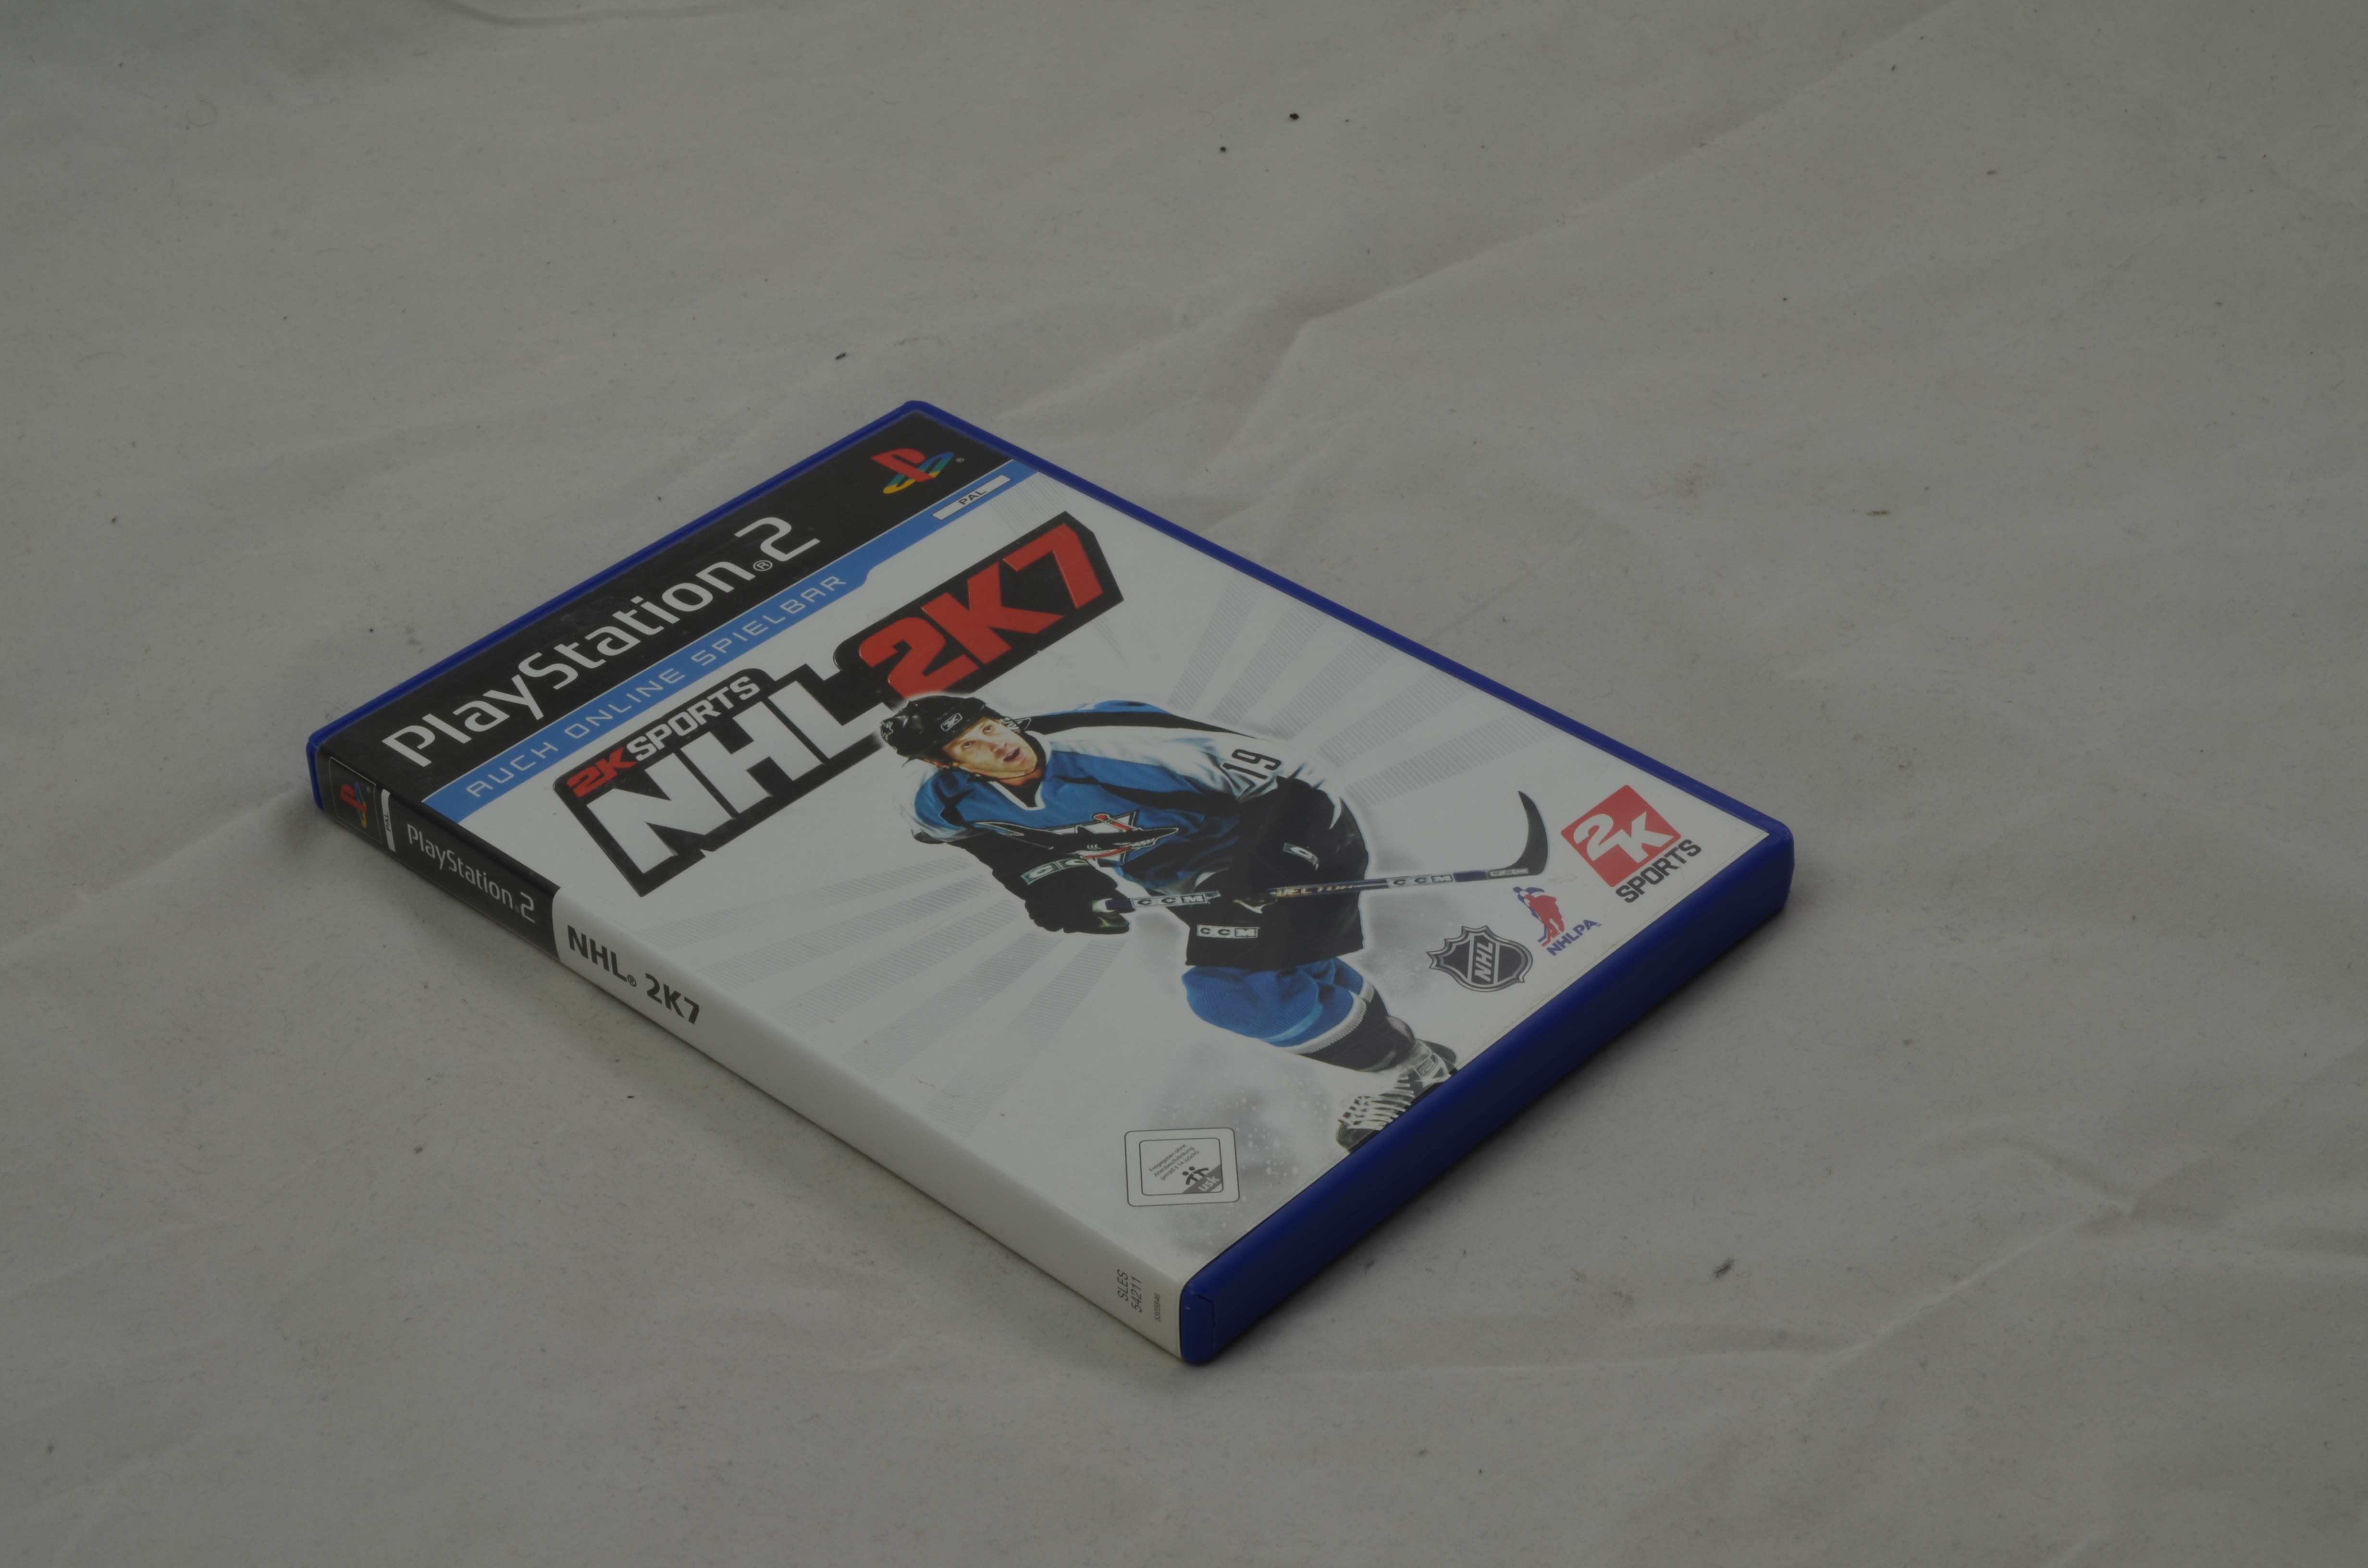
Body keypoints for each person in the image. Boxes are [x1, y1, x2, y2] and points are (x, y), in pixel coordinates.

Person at [880, 694, 1454, 1150]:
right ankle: (1408, 1056)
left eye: (990, 725)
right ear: (944, 763)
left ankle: (1399, 1070)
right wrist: (1056, 886)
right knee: (1291, 970)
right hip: (1187, 880)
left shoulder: (1117, 747)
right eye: (969, 744)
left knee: (1229, 993)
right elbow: (985, 840)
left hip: (1290, 845)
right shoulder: (935, 800)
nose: (997, 743)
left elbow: (1299, 777)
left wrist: (1278, 863)